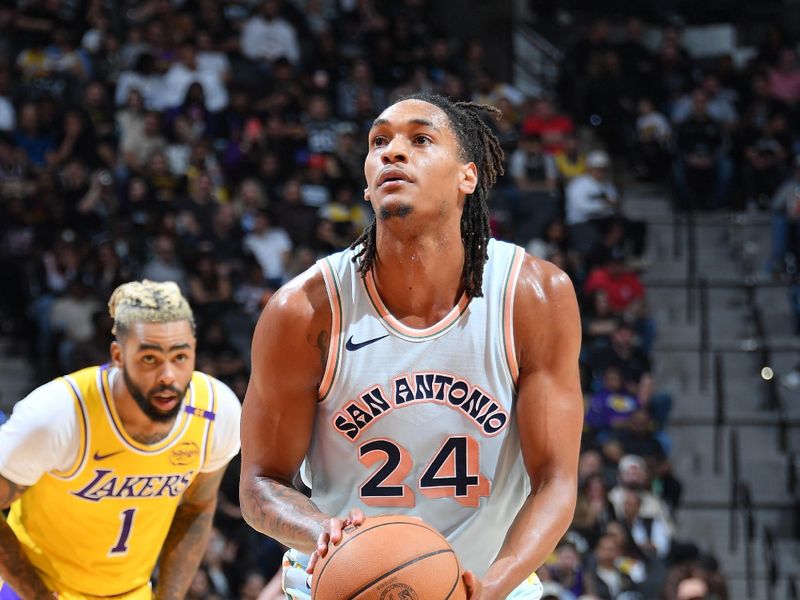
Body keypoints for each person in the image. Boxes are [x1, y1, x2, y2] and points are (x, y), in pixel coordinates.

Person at [240, 93, 583, 600]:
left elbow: (556, 480)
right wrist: (328, 537)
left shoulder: (533, 297)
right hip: (345, 584)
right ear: (365, 181)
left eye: (420, 139)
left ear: (468, 176)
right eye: (379, 142)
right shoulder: (305, 310)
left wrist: (493, 586)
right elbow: (261, 484)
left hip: (485, 584)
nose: (392, 153)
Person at [0, 280, 241, 599]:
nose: (168, 375)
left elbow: (197, 506)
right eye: (150, 359)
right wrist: (36, 594)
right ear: (117, 355)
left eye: (181, 357)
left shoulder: (216, 411)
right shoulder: (57, 415)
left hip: (132, 592)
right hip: (36, 588)